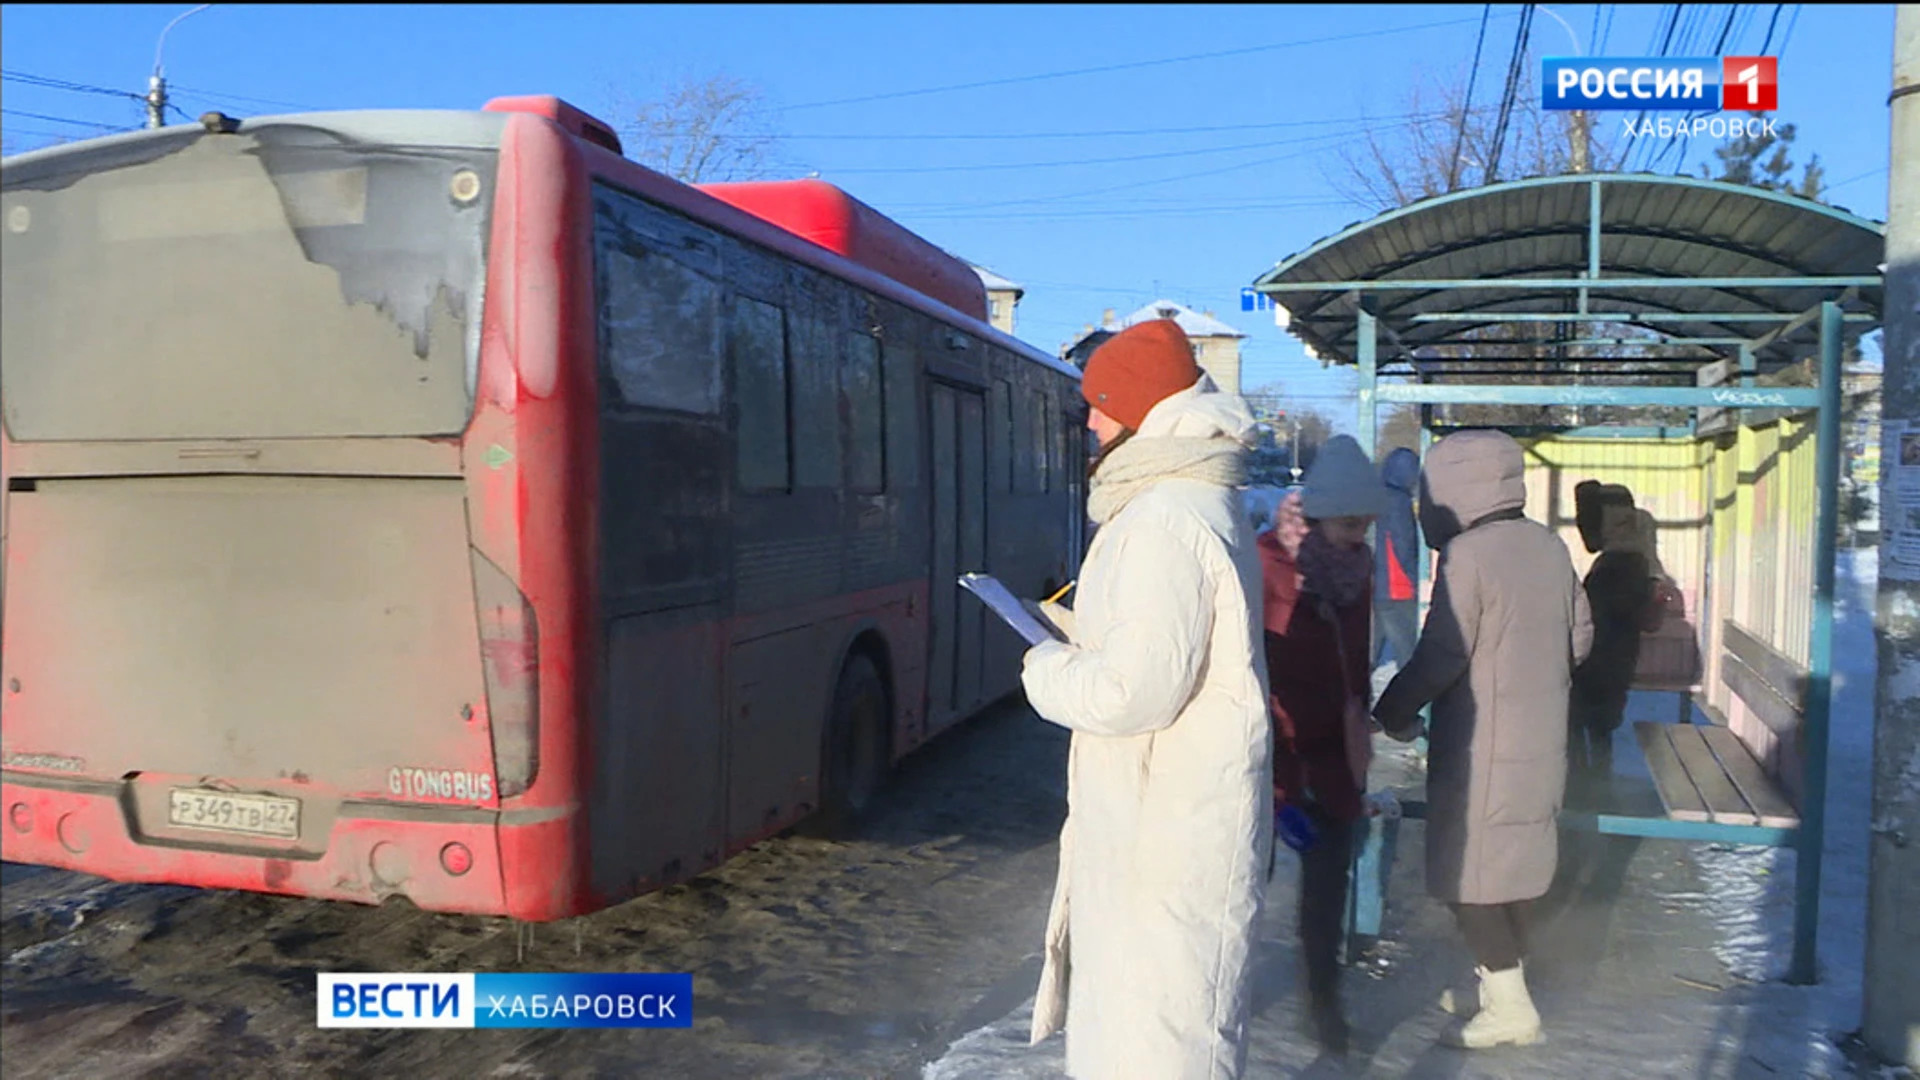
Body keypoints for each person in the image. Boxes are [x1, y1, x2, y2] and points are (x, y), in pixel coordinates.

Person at [1021, 318, 1271, 1080]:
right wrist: (1081, 629)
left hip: (1162, 838)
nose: (1090, 422)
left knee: (1156, 1045)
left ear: (1140, 412)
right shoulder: (1195, 503)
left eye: (1099, 405)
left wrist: (1044, 667)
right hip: (1169, 829)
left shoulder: (1163, 518)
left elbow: (1136, 691)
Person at [1372, 430, 1593, 1050]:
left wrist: (1392, 709)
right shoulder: (1548, 545)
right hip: (1541, 739)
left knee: (1472, 879)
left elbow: (1444, 652)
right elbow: (1580, 639)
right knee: (1512, 873)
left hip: (1483, 749)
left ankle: (1511, 1009)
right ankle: (1496, 986)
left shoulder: (1468, 555)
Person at [1256, 436, 1395, 1056]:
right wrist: (1275, 769)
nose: (1358, 535)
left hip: (1334, 751)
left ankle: (1324, 1008)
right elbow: (1254, 663)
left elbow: (1356, 659)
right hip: (1274, 748)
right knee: (1242, 884)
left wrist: (1360, 721)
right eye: (1348, 522)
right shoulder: (1263, 563)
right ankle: (1224, 998)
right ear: (1313, 515)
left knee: (1328, 886)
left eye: (1366, 523)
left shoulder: (1356, 569)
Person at [1568, 481, 1660, 793]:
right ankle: (1594, 785)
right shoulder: (1634, 565)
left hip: (1599, 667)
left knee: (1580, 726)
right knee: (1596, 731)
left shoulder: (1614, 570)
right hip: (1613, 666)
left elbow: (1595, 623)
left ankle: (1587, 792)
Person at [1374, 447, 1423, 669]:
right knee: (1409, 656)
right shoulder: (1399, 502)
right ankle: (1412, 704)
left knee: (1367, 655)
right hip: (1399, 589)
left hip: (1377, 587)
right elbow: (1403, 544)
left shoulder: (1377, 496)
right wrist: (1416, 581)